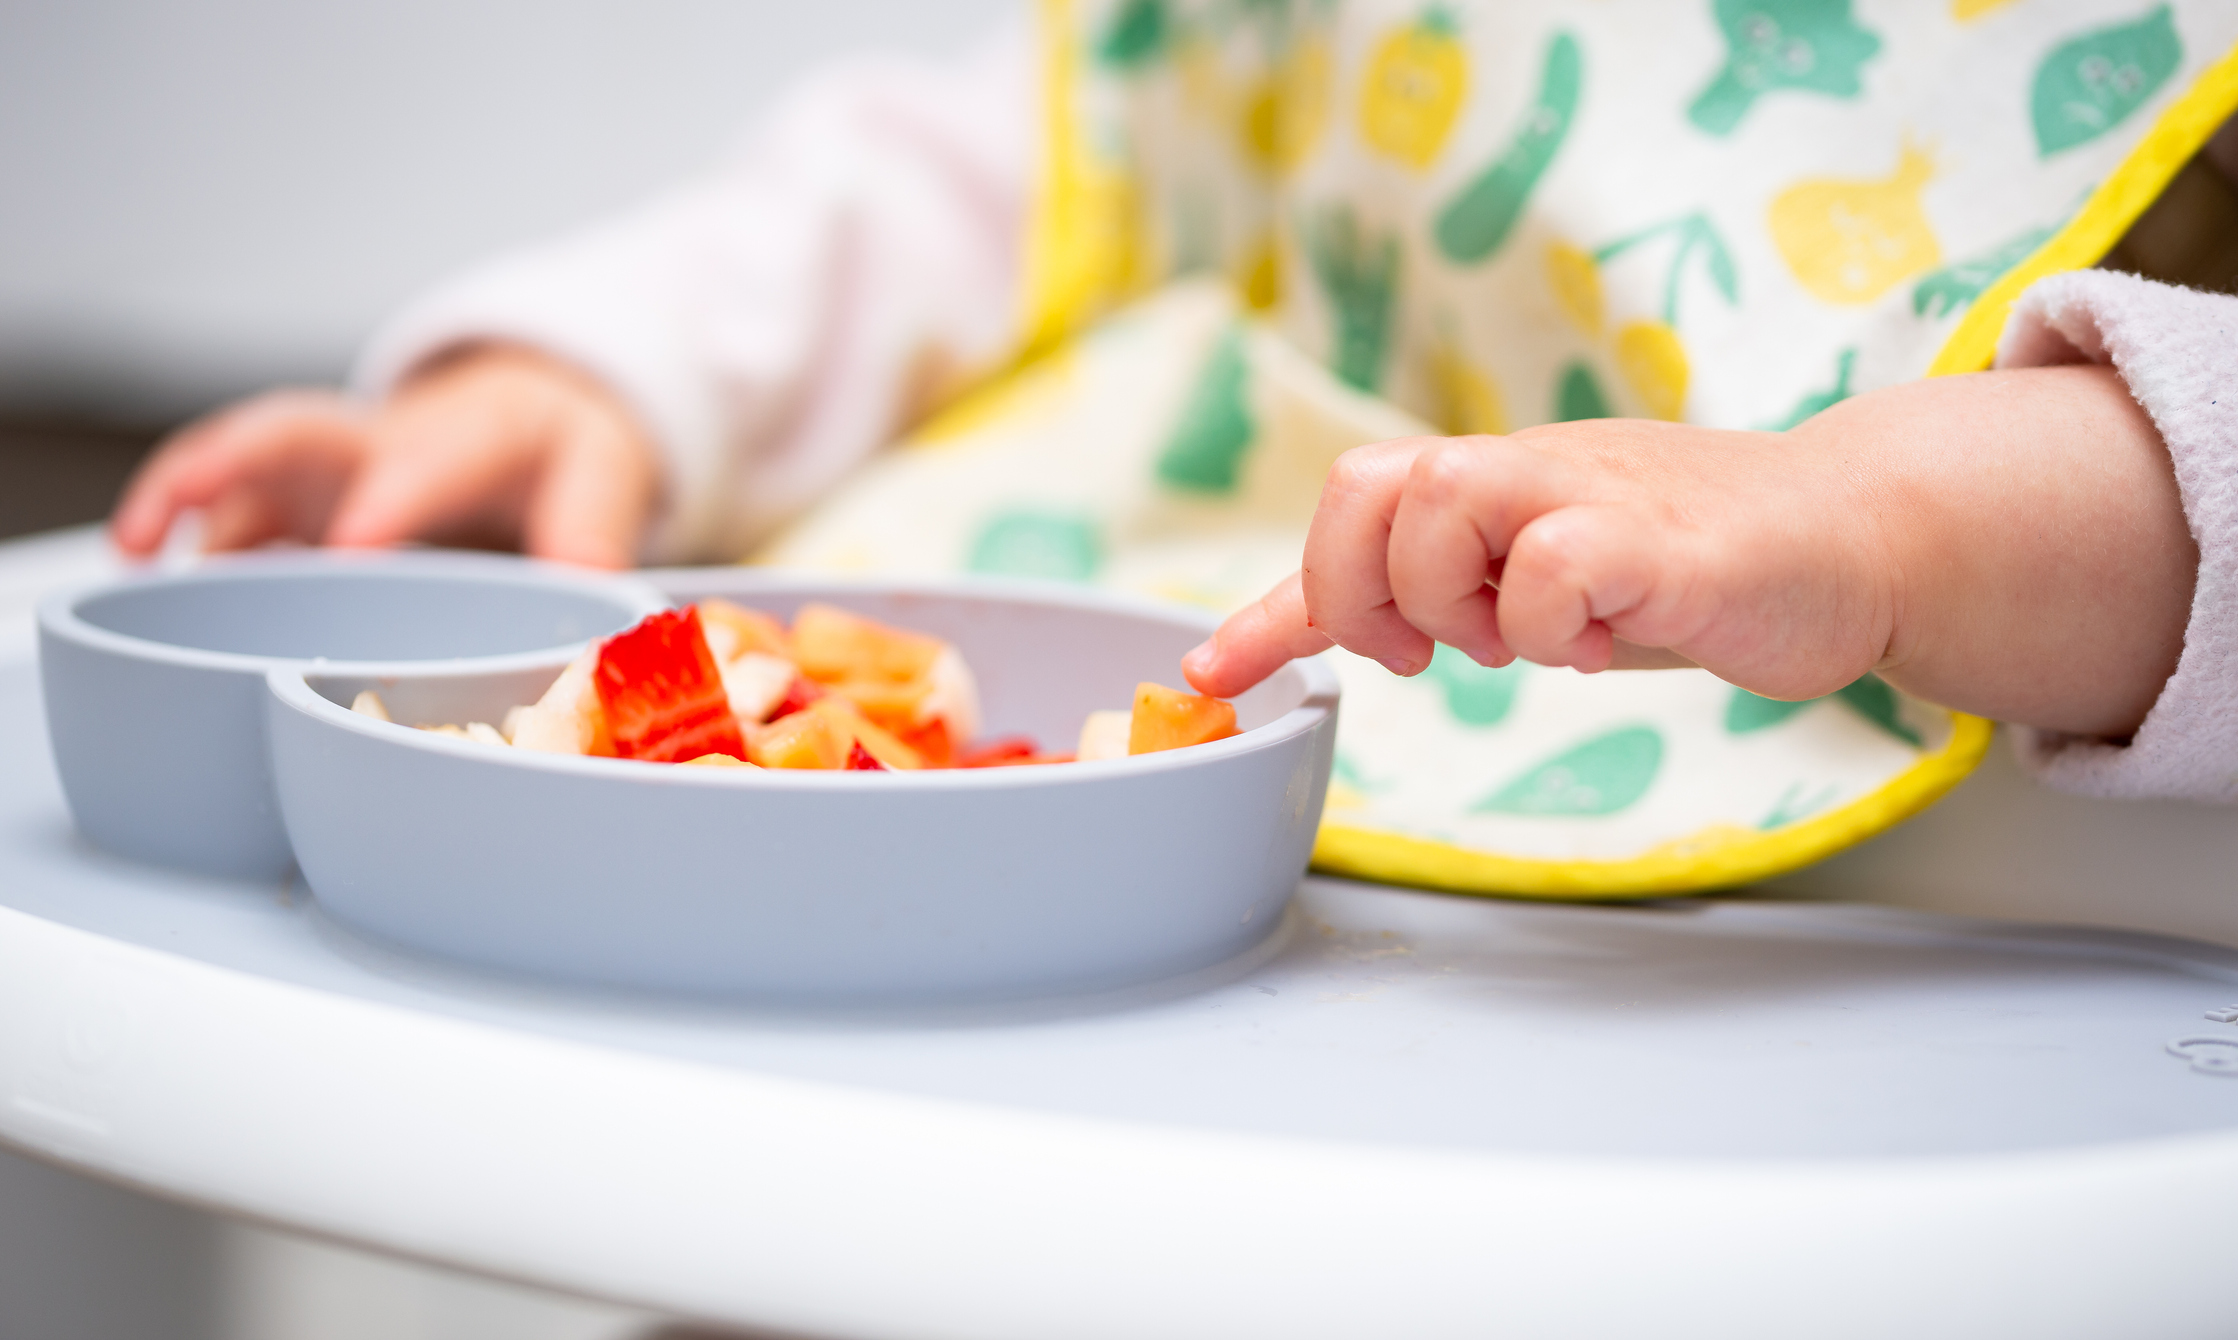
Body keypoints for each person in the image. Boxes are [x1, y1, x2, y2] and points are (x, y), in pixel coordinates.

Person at [109, 0, 2238, 807]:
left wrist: (1893, 527)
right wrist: (596, 371)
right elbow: (1072, 154)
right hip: (1215, 871)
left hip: (1854, 1003)